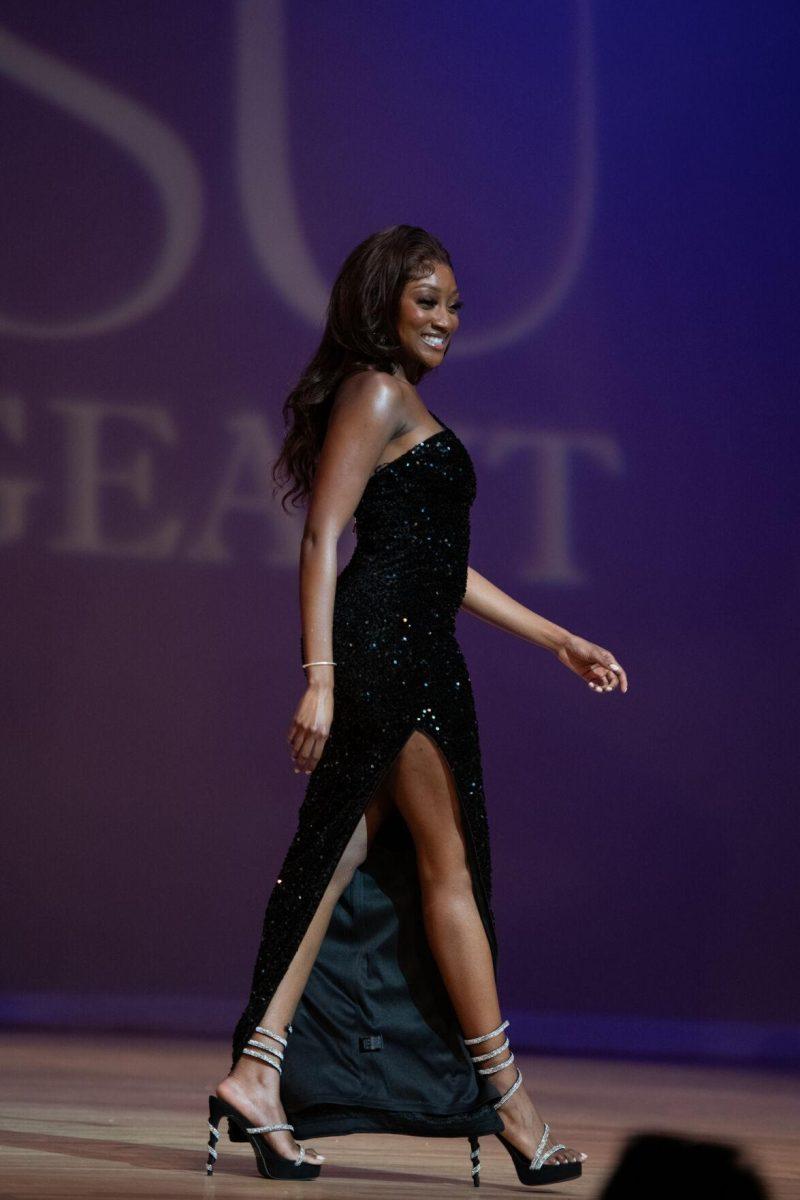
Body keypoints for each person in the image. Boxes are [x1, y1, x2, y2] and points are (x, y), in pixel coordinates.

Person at [205, 225, 628, 1186]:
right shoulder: (380, 390)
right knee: (447, 875)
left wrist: (554, 637)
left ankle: (257, 1071)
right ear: (383, 300)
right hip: (389, 661)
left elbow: (441, 568)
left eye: (453, 306)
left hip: (415, 649)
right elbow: (322, 537)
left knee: (340, 857)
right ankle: (517, 1111)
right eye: (427, 300)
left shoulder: (397, 401)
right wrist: (320, 673)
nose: (445, 320)